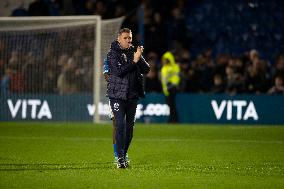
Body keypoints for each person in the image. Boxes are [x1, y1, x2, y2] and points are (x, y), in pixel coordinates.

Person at [106, 28, 150, 168]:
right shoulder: (112, 54)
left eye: (130, 38)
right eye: (125, 38)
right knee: (120, 125)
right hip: (117, 96)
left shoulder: (133, 52)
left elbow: (146, 70)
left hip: (132, 96)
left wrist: (139, 57)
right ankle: (119, 158)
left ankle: (123, 156)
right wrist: (134, 61)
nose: (128, 40)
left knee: (129, 129)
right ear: (119, 39)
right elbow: (118, 72)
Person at [161, 51, 180, 123]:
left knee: (172, 105)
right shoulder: (164, 68)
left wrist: (172, 85)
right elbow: (163, 80)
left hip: (171, 88)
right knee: (170, 105)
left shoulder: (173, 67)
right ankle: (173, 119)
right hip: (167, 89)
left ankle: (173, 119)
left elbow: (176, 78)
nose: (164, 61)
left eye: (165, 59)